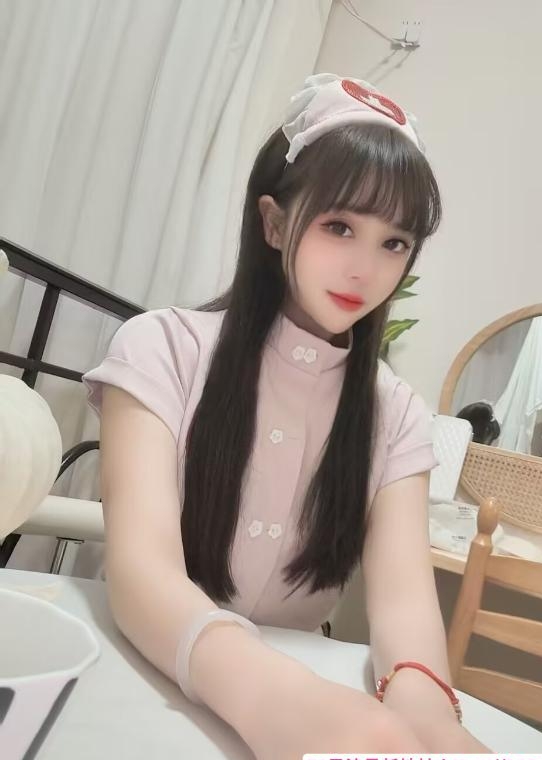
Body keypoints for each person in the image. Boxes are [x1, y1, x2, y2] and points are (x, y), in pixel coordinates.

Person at [83, 73, 490, 758]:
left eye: (394, 243)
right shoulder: (163, 349)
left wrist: (432, 721)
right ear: (274, 223)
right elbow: (142, 568)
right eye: (339, 226)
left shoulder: (395, 413)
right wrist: (272, 696)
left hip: (303, 702)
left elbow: (404, 609)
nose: (365, 268)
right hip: (139, 676)